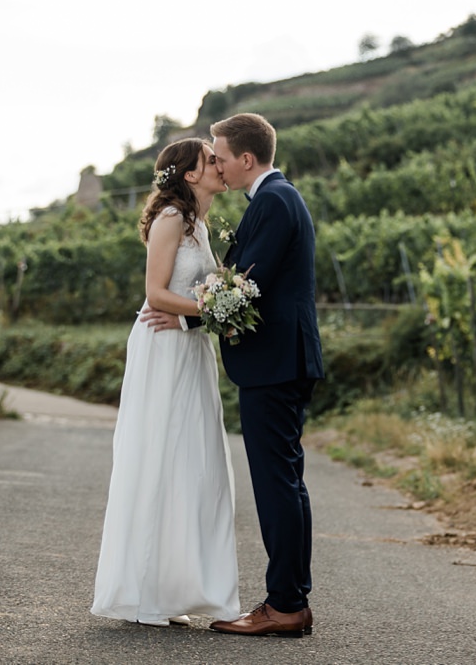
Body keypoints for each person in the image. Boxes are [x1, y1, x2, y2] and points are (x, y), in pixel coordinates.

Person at [143, 113, 325, 637]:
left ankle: (286, 604)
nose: (217, 164)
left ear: (247, 159)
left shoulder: (272, 201)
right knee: (284, 482)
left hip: (275, 364)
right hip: (280, 361)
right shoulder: (275, 199)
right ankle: (289, 599)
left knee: (277, 486)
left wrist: (183, 315)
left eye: (220, 155)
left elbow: (248, 287)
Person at [90, 137, 247, 628]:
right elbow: (155, 294)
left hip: (190, 348)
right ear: (189, 174)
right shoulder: (171, 220)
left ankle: (171, 589)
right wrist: (216, 307)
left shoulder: (200, 224)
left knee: (193, 461)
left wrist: (214, 309)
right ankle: (145, 593)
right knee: (160, 455)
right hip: (162, 348)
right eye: (209, 160)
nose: (219, 165)